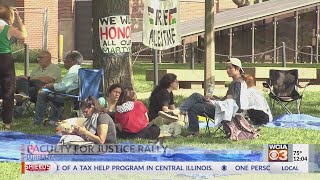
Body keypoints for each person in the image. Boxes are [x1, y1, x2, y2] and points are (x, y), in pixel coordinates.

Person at [159, 58, 249, 136]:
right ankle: (186, 121)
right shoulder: (240, 82)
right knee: (195, 101)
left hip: (230, 113)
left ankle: (184, 119)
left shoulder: (236, 83)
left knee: (195, 99)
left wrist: (214, 102)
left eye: (230, 68)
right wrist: (215, 99)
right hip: (230, 110)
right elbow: (229, 101)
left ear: (237, 69)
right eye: (227, 68)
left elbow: (230, 103)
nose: (227, 70)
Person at [33, 51, 82, 125]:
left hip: (71, 98)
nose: (64, 61)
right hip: (80, 97)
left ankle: (37, 121)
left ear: (72, 61)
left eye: (65, 60)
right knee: (52, 93)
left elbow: (62, 87)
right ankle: (52, 120)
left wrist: (49, 85)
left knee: (42, 93)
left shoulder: (73, 70)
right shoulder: (81, 69)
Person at [0, 5, 27, 129]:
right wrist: (19, 20)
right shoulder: (8, 28)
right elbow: (24, 35)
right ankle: (7, 123)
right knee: (8, 91)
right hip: (5, 59)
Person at [14, 51, 61, 117]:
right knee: (21, 80)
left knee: (29, 88)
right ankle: (23, 95)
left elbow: (48, 80)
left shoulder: (55, 68)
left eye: (40, 58)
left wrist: (31, 79)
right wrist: (24, 78)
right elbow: (31, 79)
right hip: (32, 88)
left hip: (45, 91)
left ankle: (21, 102)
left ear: (48, 58)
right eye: (38, 57)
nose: (38, 59)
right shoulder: (37, 67)